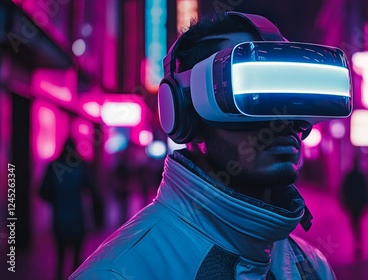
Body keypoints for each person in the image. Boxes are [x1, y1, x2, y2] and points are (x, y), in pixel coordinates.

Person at [71, 11, 348, 279]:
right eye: (252, 97)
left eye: (292, 101)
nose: (283, 122)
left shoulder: (312, 267)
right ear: (182, 112)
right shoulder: (118, 273)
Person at [40, 138, 96, 280]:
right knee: (77, 260)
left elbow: (42, 191)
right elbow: (92, 190)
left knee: (60, 257)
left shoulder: (54, 166)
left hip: (60, 218)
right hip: (77, 218)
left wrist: (56, 199)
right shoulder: (81, 167)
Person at [340, 156, 368, 258]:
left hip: (353, 203)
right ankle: (358, 244)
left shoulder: (350, 175)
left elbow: (344, 189)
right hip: (358, 203)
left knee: (355, 223)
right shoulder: (361, 175)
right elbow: (366, 189)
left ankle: (357, 243)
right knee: (357, 223)